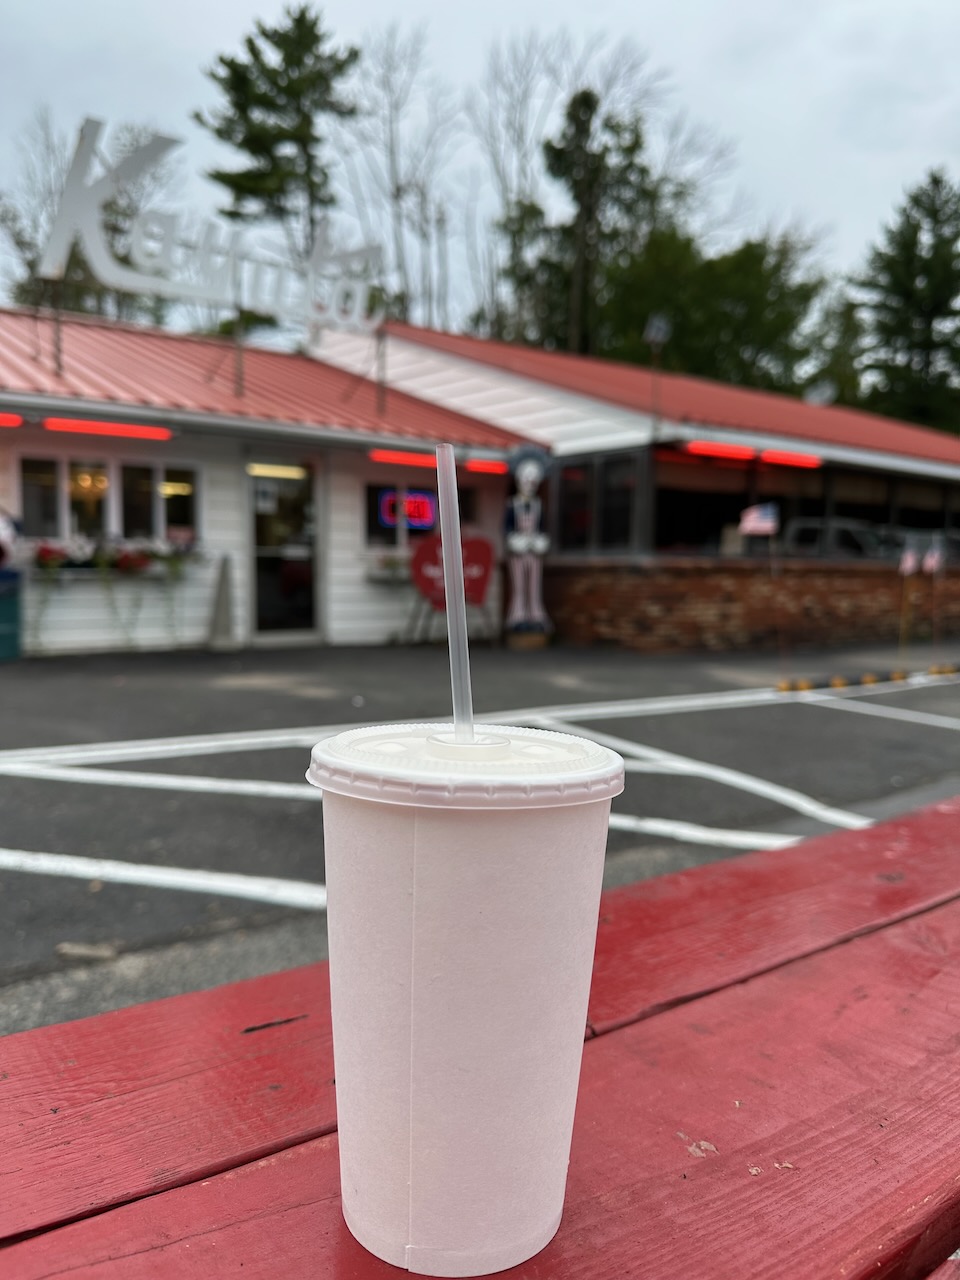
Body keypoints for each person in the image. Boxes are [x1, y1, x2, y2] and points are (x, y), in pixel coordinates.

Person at [504, 447, 552, 633]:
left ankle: (536, 615)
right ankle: (518, 615)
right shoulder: (512, 504)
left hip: (534, 550)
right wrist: (515, 541)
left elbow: (542, 527)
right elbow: (507, 528)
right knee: (519, 585)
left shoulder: (538, 505)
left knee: (534, 584)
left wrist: (539, 541)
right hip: (517, 551)